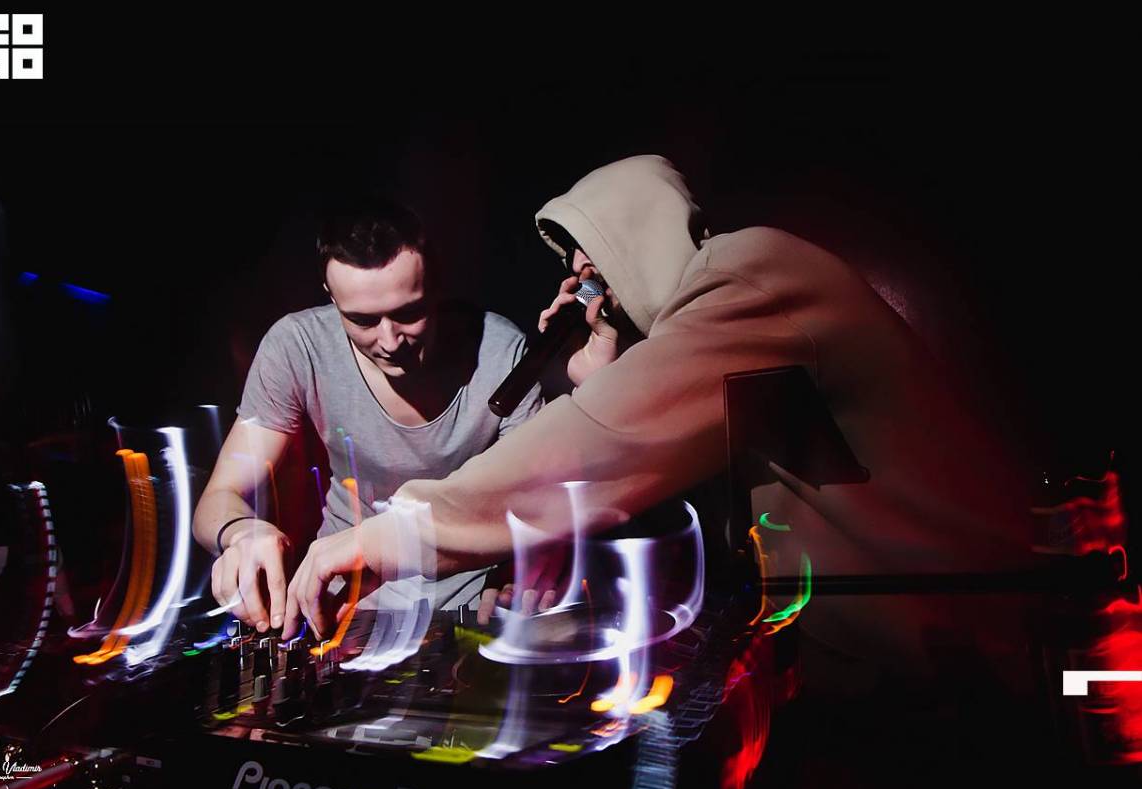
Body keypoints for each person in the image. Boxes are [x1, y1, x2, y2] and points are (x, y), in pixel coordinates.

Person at [283, 157, 1034, 690]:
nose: (584, 286)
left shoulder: (757, 275)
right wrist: (599, 367)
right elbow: (657, 468)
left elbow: (605, 446)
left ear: (636, 237)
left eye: (592, 265)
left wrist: (391, 535)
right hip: (885, 653)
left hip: (966, 643)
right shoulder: (727, 319)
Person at [194, 197, 541, 633]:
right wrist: (242, 533)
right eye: (362, 320)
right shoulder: (297, 347)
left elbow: (539, 503)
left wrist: (521, 567)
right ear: (330, 295)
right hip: (345, 607)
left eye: (408, 313)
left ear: (436, 285)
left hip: (471, 606)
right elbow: (219, 496)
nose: (390, 341)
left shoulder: (502, 353)